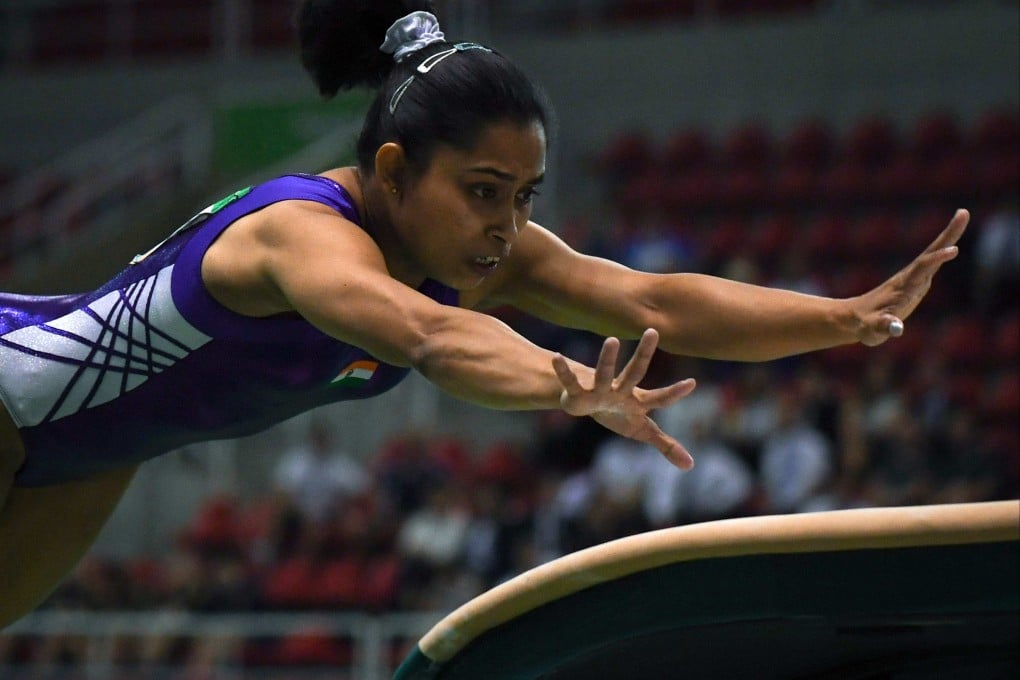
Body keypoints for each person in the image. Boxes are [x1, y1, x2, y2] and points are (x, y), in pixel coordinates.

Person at [0, 0, 969, 628]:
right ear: (393, 170)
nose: (507, 225)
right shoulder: (301, 235)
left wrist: (842, 317)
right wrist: (568, 383)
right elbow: (429, 336)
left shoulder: (473, 251)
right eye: (484, 189)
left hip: (85, 450)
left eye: (526, 195)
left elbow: (650, 298)